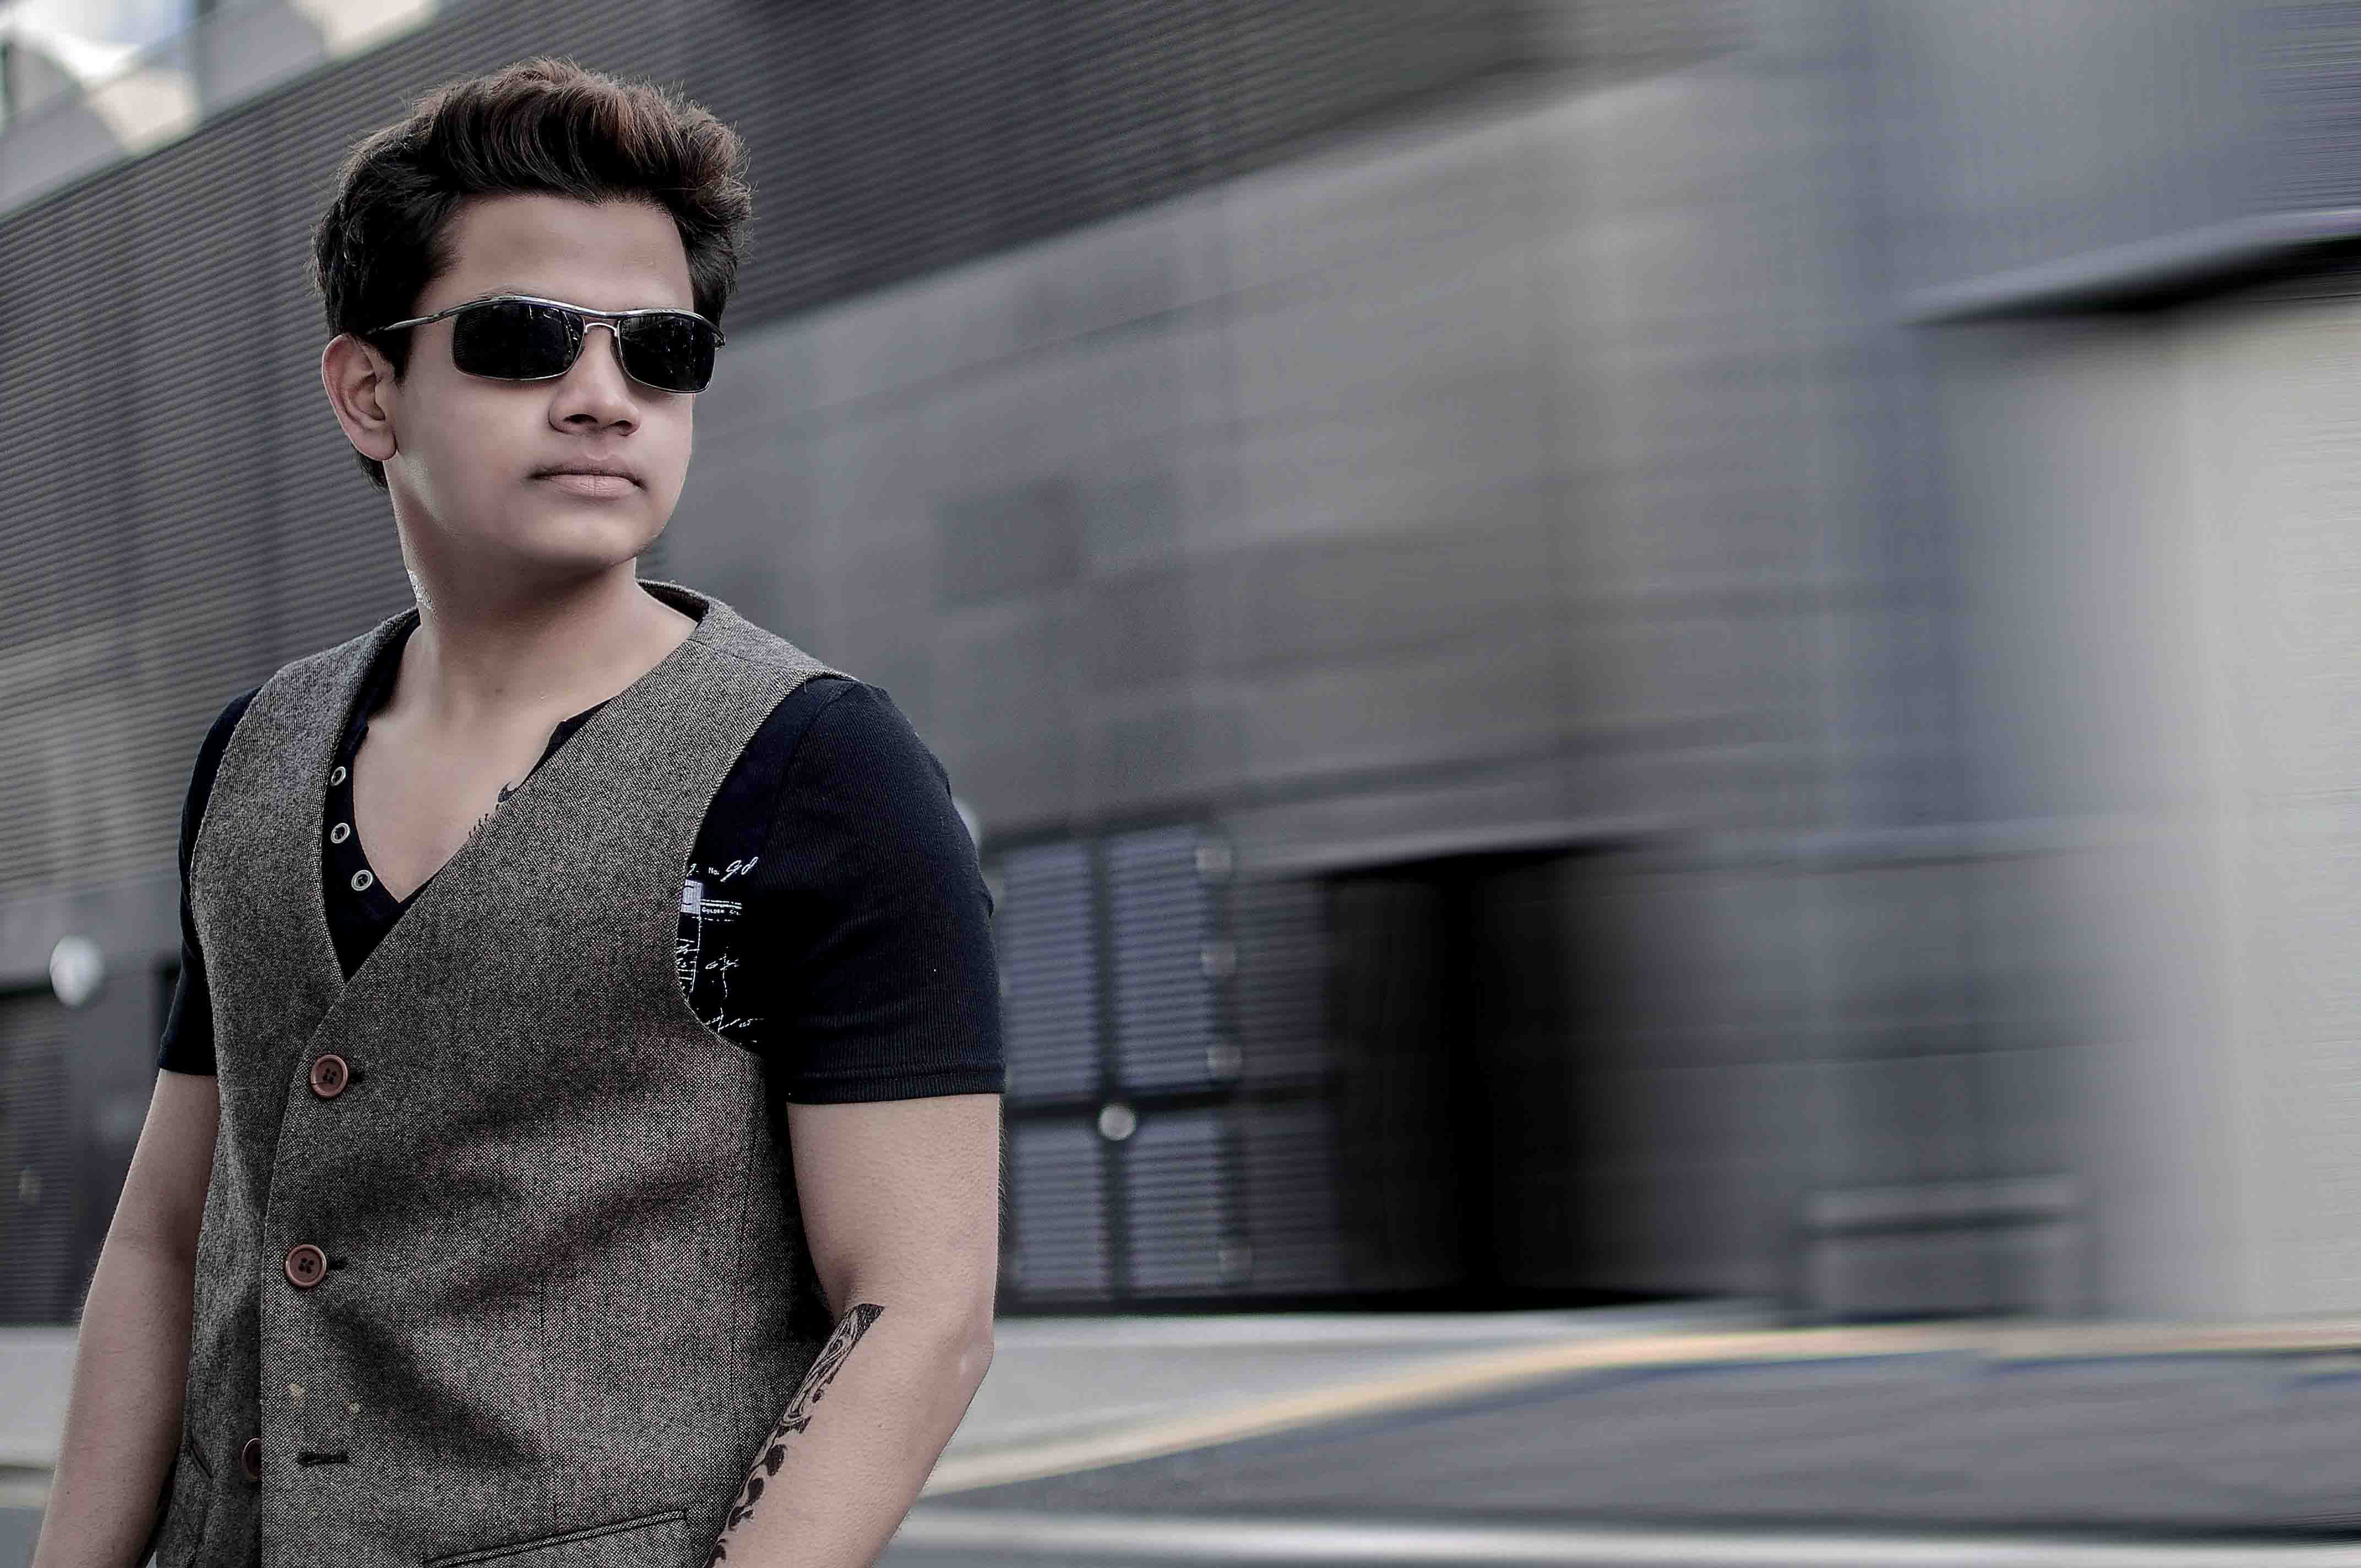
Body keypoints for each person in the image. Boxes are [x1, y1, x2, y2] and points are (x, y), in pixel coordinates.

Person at [30, 56, 1004, 1568]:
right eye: (524, 338)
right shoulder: (256, 755)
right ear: (369, 392)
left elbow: (918, 1312)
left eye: (662, 352)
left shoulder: (822, 771)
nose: (604, 397)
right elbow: (168, 1235)